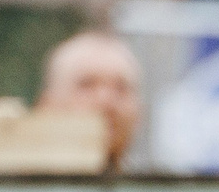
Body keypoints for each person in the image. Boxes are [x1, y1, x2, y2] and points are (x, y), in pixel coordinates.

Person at [36, 31, 143, 170]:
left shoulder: (156, 190)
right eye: (87, 84)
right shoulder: (14, 189)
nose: (106, 100)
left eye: (121, 87)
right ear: (46, 105)